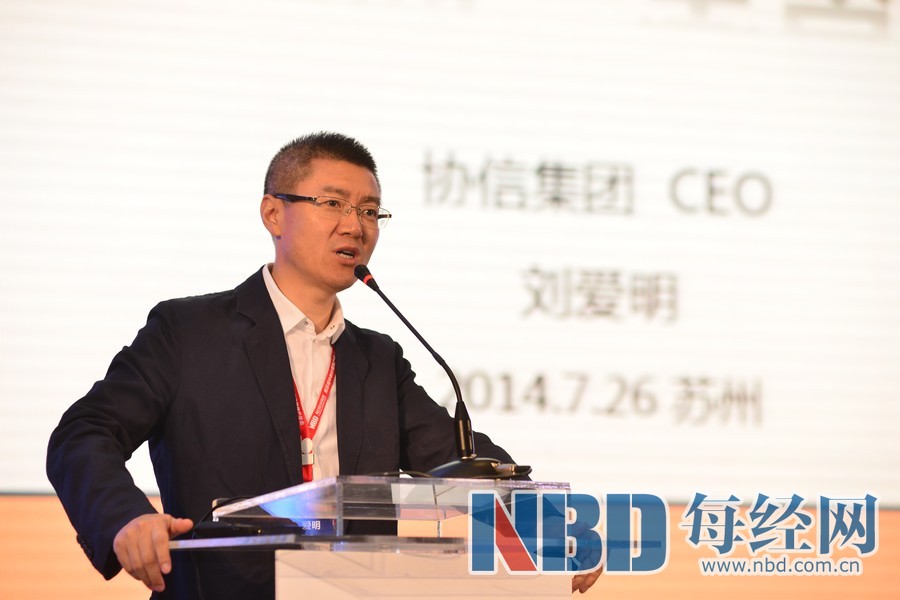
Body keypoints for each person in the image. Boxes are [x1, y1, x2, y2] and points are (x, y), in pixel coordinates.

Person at [47, 132, 600, 598]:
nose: (355, 226)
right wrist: (125, 517)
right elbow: (84, 432)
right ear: (273, 213)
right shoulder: (189, 332)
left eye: (369, 211)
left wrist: (547, 524)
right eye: (333, 204)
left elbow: (460, 463)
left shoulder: (377, 359)